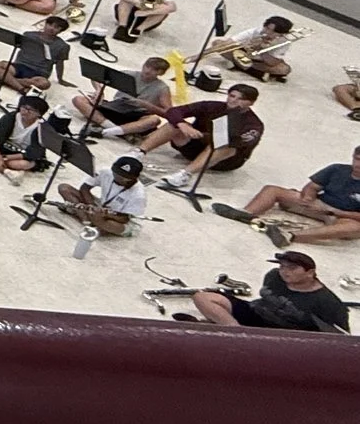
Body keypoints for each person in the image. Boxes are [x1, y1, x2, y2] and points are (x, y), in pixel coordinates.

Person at [214, 144, 360, 248]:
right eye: (357, 159)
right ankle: (247, 214)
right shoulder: (337, 169)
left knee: (353, 228)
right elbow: (312, 187)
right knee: (273, 190)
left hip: (343, 216)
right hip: (318, 204)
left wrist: (334, 212)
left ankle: (290, 235)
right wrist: (308, 198)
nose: (358, 164)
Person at [186, 251, 348, 332]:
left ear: (310, 272)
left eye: (292, 268)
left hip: (281, 333)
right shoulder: (274, 276)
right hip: (256, 312)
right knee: (202, 297)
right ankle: (235, 331)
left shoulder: (327, 302)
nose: (285, 272)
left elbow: (337, 335)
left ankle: (217, 327)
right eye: (282, 266)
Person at [138, 83, 264, 186]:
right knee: (174, 124)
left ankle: (185, 174)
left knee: (225, 146)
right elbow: (175, 111)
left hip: (223, 160)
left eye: (241, 99)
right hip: (194, 147)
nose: (234, 101)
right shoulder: (212, 106)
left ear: (251, 102)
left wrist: (203, 136)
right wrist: (182, 124)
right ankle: (139, 152)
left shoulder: (254, 124)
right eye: (232, 96)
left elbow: (241, 142)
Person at [55, 154, 150, 236]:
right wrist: (91, 205)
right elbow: (85, 188)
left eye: (124, 178)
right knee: (64, 188)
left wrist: (106, 215)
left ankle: (86, 216)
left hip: (121, 218)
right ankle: (86, 220)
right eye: (116, 175)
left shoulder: (138, 195)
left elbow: (125, 218)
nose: (118, 179)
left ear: (134, 178)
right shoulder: (105, 172)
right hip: (101, 206)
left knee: (102, 220)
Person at [0, 94, 51, 175]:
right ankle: (6, 171)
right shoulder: (11, 117)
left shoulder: (42, 128)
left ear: (39, 114)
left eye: (30, 110)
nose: (25, 112)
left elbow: (34, 153)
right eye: (24, 107)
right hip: (4, 146)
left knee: (19, 164)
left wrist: (6, 157)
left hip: (21, 155)